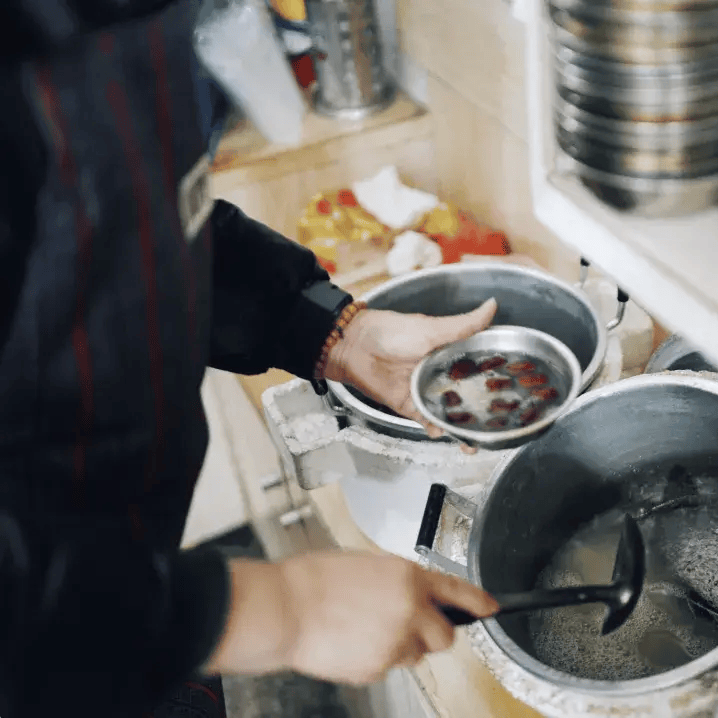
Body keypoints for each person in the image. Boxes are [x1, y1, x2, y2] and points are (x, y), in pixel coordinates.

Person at [0, 2, 500, 716]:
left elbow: (141, 231)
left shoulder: (118, 28)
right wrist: (282, 610)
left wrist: (333, 333)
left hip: (136, 618)